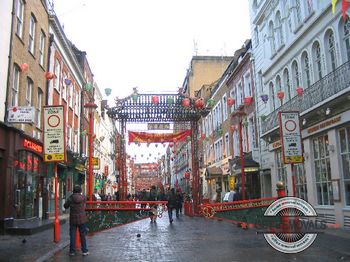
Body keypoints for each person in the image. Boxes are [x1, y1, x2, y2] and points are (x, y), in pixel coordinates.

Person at [64, 185, 89, 256]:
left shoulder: (70, 198)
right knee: (82, 235)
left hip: (73, 219)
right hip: (82, 219)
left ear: (73, 191)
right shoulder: (83, 197)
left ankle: (72, 251)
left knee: (72, 235)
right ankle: (84, 250)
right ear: (80, 191)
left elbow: (65, 206)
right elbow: (85, 205)